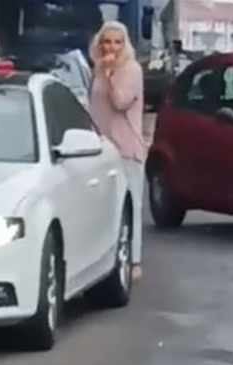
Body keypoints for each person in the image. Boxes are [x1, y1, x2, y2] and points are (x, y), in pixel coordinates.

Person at [89, 21, 146, 279]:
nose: (111, 47)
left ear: (125, 45)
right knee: (103, 206)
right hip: (101, 148)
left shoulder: (131, 70)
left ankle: (134, 260)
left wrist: (111, 76)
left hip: (125, 148)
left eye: (117, 42)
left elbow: (121, 102)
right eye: (106, 41)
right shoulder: (98, 70)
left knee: (130, 203)